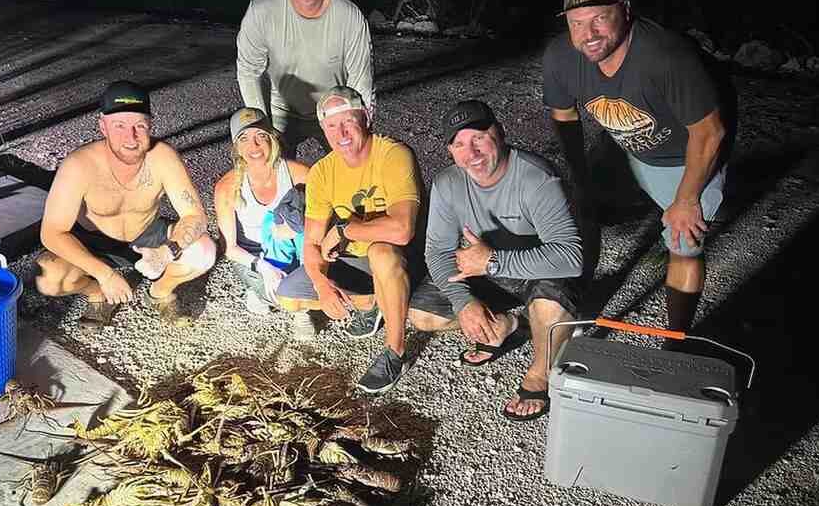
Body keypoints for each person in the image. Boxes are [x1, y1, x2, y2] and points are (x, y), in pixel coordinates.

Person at [543, 0, 726, 338]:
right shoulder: (561, 57)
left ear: (624, 11)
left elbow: (709, 132)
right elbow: (564, 115)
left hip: (685, 154)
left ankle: (677, 340)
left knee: (683, 238)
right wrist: (580, 181)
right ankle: (578, 303)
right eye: (578, 23)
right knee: (581, 212)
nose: (588, 34)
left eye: (599, 18)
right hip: (630, 146)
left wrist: (686, 199)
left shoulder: (666, 56)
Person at [408, 101, 583, 422]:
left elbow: (571, 258)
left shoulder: (536, 179)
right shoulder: (447, 183)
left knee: (550, 304)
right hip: (487, 268)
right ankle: (512, 324)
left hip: (542, 269)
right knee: (421, 315)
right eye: (459, 144)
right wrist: (464, 303)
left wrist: (492, 262)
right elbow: (437, 251)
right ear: (450, 151)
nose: (471, 152)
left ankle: (540, 375)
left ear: (500, 134)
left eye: (478, 138)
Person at [35, 81, 216, 331]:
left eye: (139, 126)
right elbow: (52, 232)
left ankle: (159, 293)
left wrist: (167, 252)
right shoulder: (79, 165)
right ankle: (97, 293)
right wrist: (104, 274)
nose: (130, 138)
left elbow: (195, 216)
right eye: (119, 126)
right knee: (50, 280)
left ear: (150, 125)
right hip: (95, 240)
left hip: (146, 233)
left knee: (204, 251)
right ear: (103, 126)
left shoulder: (163, 157)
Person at [276, 86, 420, 395]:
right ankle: (371, 303)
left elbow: (402, 230)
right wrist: (322, 286)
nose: (340, 132)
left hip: (402, 256)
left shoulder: (394, 154)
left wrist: (345, 231)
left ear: (366, 117)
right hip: (354, 260)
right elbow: (312, 243)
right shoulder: (322, 172)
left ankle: (395, 351)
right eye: (331, 126)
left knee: (383, 253)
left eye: (348, 122)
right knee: (288, 293)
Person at [236, 0, 374, 157]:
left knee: (355, 164)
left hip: (333, 109)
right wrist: (261, 127)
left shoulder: (349, 15)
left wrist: (358, 128)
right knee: (268, 167)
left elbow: (362, 81)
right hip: (280, 108)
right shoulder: (261, 10)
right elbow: (249, 71)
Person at [213, 107, 311, 327]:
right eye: (244, 138)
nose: (254, 146)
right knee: (281, 295)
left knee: (304, 286)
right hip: (254, 254)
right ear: (236, 147)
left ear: (272, 140)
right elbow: (229, 248)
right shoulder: (227, 187)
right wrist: (263, 268)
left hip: (296, 246)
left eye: (261, 136)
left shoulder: (300, 173)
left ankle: (301, 307)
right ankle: (260, 292)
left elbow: (321, 217)